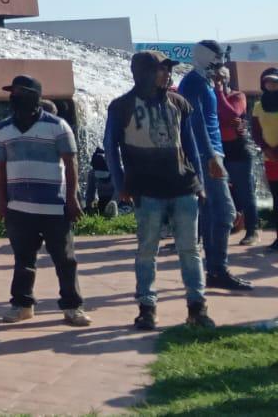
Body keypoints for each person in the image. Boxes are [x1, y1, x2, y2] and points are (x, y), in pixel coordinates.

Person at [105, 50, 214, 330]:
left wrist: (199, 182)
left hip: (183, 187)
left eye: (168, 69)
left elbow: (190, 147)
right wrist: (120, 186)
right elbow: (110, 148)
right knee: (146, 251)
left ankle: (197, 308)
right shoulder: (121, 106)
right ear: (142, 73)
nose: (167, 74)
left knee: (190, 250)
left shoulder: (178, 103)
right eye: (161, 69)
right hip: (146, 190)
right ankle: (147, 308)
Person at [0, 75, 89, 327]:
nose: (15, 97)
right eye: (12, 93)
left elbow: (71, 162)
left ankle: (72, 307)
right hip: (18, 207)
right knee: (23, 259)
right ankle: (22, 305)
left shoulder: (57, 126)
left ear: (35, 96)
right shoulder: (2, 129)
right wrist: (2, 201)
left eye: (20, 92)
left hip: (54, 206)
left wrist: (72, 198)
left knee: (65, 259)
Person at [177, 40, 250, 290]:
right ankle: (217, 269)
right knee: (225, 213)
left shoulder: (201, 81)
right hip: (207, 155)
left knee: (210, 214)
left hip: (211, 153)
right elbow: (196, 123)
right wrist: (210, 157)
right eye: (218, 57)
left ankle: (213, 270)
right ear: (207, 57)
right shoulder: (194, 83)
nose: (221, 62)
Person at [214, 67, 259, 245]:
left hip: (238, 150)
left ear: (228, 78)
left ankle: (253, 230)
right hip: (218, 149)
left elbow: (232, 113)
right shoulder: (211, 96)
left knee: (245, 191)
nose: (218, 79)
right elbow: (215, 118)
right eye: (216, 77)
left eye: (222, 76)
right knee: (221, 192)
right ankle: (229, 225)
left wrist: (219, 92)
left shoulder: (237, 95)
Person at [248, 68, 278, 250]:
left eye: (275, 82)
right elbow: (256, 132)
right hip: (271, 159)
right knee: (277, 197)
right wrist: (267, 150)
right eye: (268, 82)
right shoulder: (259, 106)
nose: (271, 85)